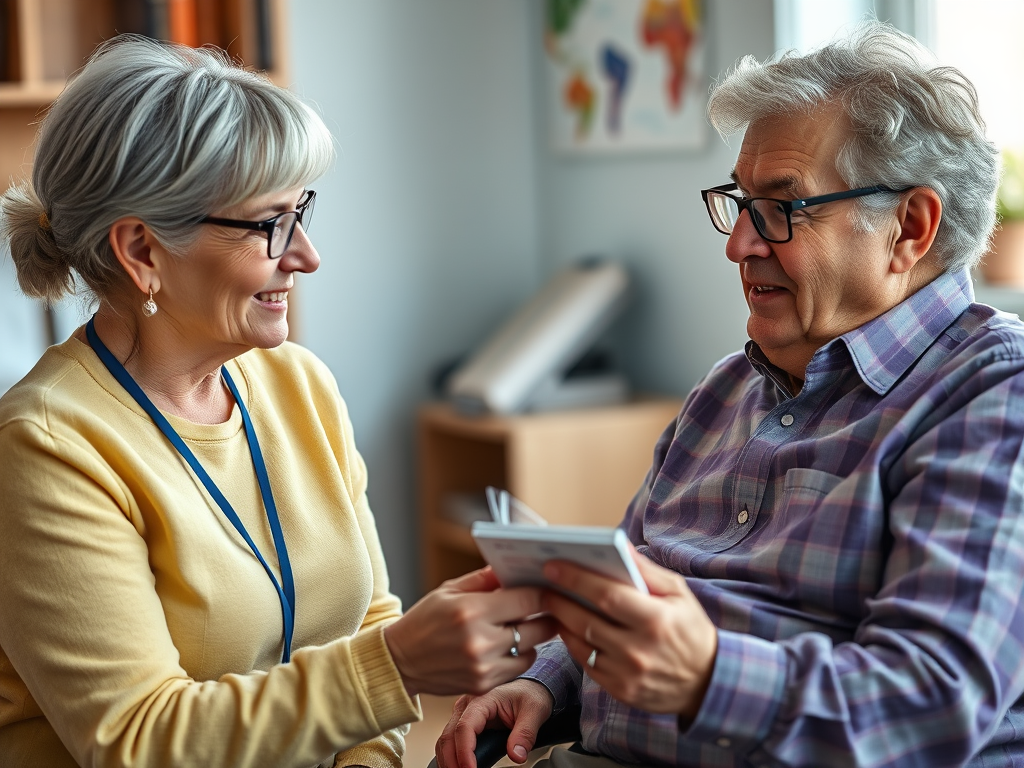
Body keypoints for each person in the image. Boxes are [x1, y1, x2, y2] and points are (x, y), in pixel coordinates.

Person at [437, 20, 1024, 768]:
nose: (738, 244)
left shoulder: (992, 395)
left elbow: (932, 705)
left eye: (781, 209)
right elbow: (631, 600)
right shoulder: (725, 389)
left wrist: (711, 676)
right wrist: (551, 685)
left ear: (910, 227)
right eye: (738, 203)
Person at [0, 35, 556, 768]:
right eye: (270, 224)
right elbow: (138, 742)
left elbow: (368, 620)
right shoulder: (47, 445)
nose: (306, 255)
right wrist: (395, 666)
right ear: (141, 251)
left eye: (303, 212)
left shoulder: (298, 384)